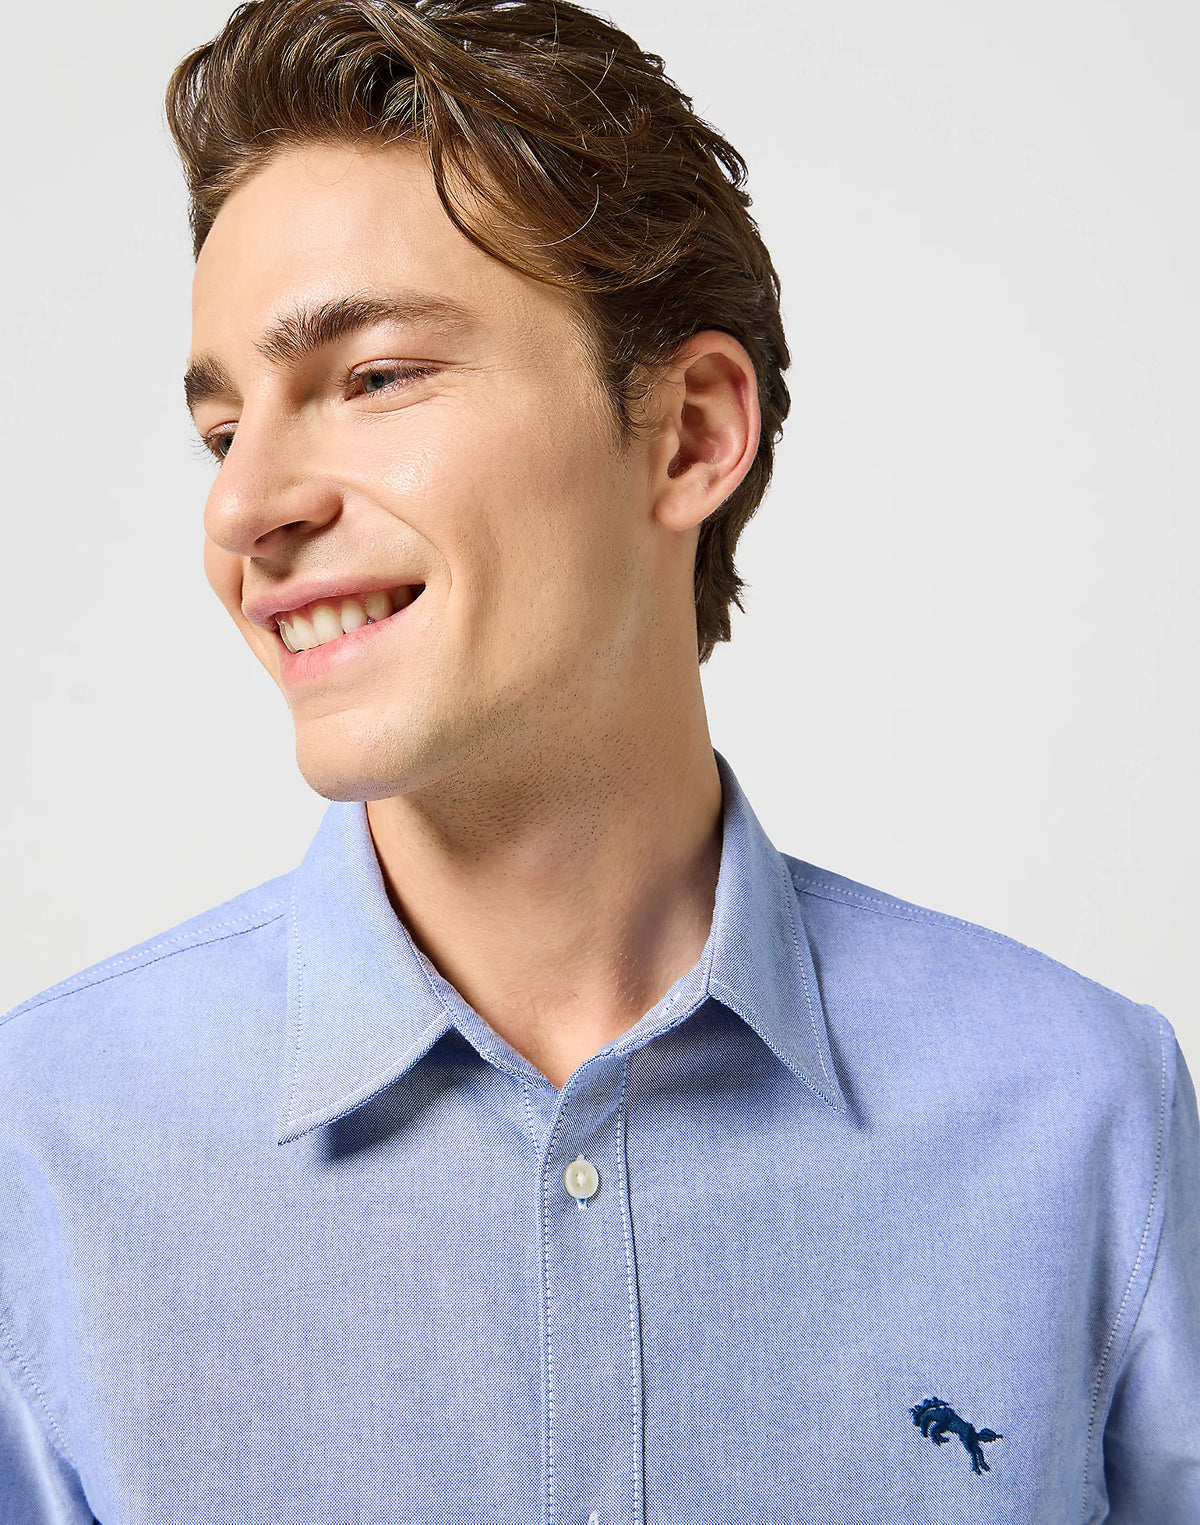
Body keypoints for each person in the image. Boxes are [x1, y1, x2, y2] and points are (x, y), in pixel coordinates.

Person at [1, 0, 1196, 1518]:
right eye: (223, 430)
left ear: (689, 434)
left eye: (374, 378)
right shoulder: (41, 1156)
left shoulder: (1083, 1113)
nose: (242, 512)